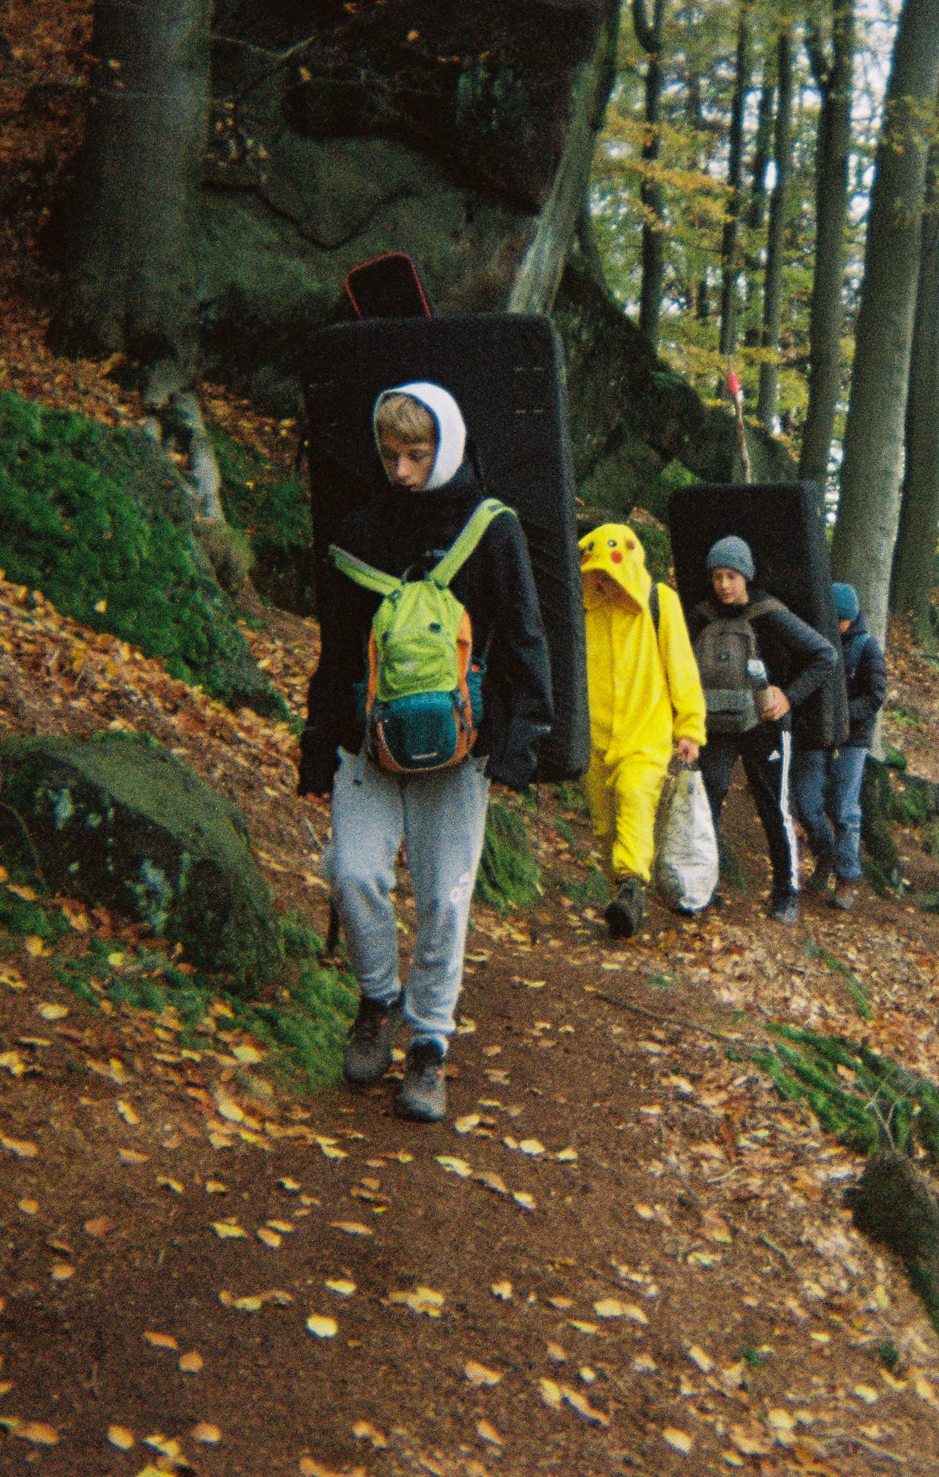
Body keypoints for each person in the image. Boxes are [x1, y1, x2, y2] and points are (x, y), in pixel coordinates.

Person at [300, 384, 552, 1122]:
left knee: (445, 898)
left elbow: (527, 638)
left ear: (448, 445)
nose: (402, 470)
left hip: (461, 748)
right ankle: (377, 1000)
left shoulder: (491, 529)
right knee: (352, 873)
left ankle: (429, 1047)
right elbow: (338, 648)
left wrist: (520, 741)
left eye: (417, 454)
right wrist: (318, 742)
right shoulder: (359, 531)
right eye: (390, 455)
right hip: (367, 742)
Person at [694, 536, 838, 924]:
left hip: (766, 725)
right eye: (718, 576)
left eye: (732, 575)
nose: (724, 584)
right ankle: (700, 884)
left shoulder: (769, 612)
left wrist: (789, 697)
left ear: (746, 576)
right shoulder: (703, 615)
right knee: (707, 798)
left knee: (772, 805)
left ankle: (787, 891)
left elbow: (825, 654)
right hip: (716, 723)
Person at [578, 522, 706, 940]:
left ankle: (633, 887)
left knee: (634, 796)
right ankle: (624, 897)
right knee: (605, 825)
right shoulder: (582, 609)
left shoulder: (659, 602)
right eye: (597, 575)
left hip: (645, 735)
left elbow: (681, 665)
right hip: (594, 738)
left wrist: (690, 727)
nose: (606, 584)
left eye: (610, 574)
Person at [794, 582, 886, 912]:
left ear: (850, 617)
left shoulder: (867, 648)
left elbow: (875, 695)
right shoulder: (812, 641)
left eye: (839, 620)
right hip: (815, 735)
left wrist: (844, 716)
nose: (834, 626)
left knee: (845, 810)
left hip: (852, 739)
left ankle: (846, 877)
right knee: (806, 801)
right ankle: (825, 853)